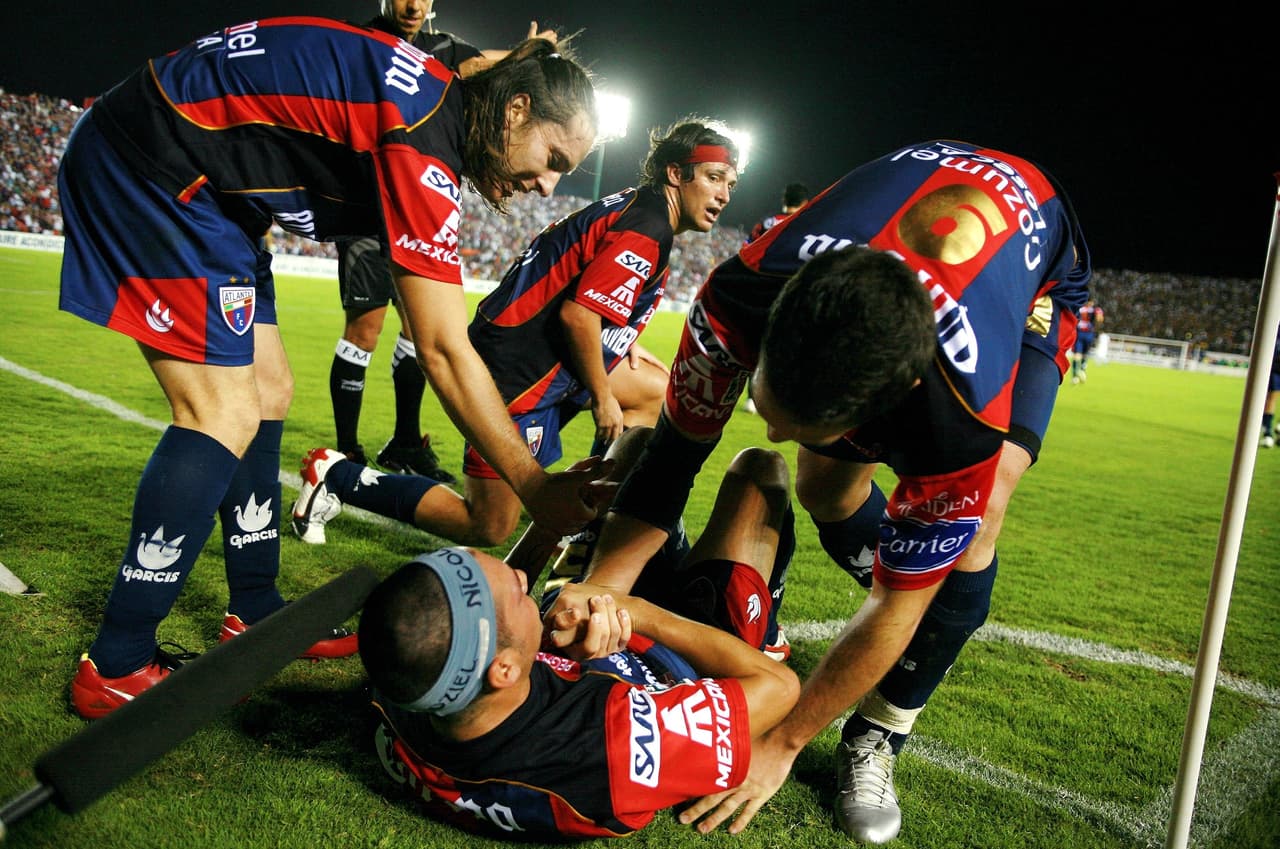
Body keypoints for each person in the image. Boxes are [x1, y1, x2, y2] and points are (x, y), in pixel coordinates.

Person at [57, 17, 602, 719]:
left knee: (270, 388)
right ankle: (119, 662)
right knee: (220, 411)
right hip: (155, 166)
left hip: (216, 193)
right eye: (554, 158)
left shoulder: (446, 98)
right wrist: (534, 485)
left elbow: (474, 70)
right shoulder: (422, 141)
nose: (549, 186)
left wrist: (524, 56)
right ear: (518, 109)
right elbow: (441, 347)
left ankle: (254, 608)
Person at [550, 140, 1091, 842]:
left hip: (1031, 282)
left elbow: (901, 601)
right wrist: (603, 602)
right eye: (767, 403)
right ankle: (914, 587)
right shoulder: (740, 293)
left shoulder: (958, 416)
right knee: (821, 487)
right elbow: (670, 462)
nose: (770, 435)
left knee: (972, 527)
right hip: (905, 229)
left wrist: (782, 743)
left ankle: (879, 733)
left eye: (797, 421)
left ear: (884, 406)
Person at [290, 119, 740, 549]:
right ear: (676, 173)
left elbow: (587, 287)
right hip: (518, 373)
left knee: (651, 392)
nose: (723, 195)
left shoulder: (639, 207)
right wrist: (603, 395)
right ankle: (336, 477)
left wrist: (623, 333)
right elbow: (578, 316)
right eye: (715, 178)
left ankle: (583, 535)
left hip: (542, 359)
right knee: (488, 523)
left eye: (730, 185)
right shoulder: (648, 227)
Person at [356, 426, 800, 840]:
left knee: (634, 445)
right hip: (686, 660)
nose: (524, 580)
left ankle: (661, 545)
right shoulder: (610, 753)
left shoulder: (410, 677)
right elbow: (778, 687)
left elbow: (469, 620)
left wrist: (547, 526)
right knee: (759, 471)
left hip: (595, 628)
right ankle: (753, 617)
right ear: (505, 668)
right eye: (516, 596)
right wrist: (638, 612)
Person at [328, 1, 559, 479]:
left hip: (416, 211)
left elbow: (487, 67)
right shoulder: (365, 43)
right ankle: (347, 449)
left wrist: (534, 55)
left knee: (418, 333)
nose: (414, 5)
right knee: (365, 333)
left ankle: (405, 442)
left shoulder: (443, 49)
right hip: (369, 215)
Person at [744, 181, 809, 244]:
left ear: (784, 200)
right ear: (805, 202)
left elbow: (748, 243)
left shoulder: (768, 221)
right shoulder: (805, 227)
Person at [1070, 297, 1104, 384]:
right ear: (1092, 302)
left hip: (1079, 333)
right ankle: (1082, 370)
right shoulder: (1095, 309)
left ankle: (1075, 376)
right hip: (1088, 334)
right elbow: (1100, 319)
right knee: (1085, 354)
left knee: (1077, 354)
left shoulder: (1080, 308)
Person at [1262, 332, 1279, 449]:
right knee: (1271, 398)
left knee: (1271, 399)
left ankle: (1269, 433)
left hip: (1275, 365)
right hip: (1275, 366)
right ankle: (1268, 433)